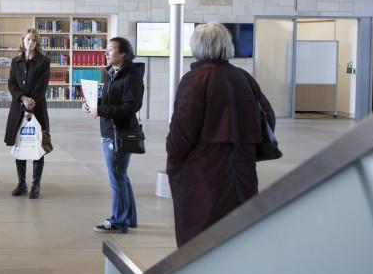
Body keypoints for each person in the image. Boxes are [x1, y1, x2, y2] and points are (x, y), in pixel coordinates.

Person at [166, 22, 276, 247]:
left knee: (201, 240)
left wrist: (174, 160)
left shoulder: (196, 79)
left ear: (197, 46)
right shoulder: (243, 77)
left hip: (204, 175)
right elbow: (268, 116)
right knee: (236, 237)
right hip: (242, 170)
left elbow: (182, 130)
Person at [84, 37, 145, 233]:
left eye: (111, 50)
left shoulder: (131, 78)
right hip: (109, 130)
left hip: (119, 132)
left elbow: (130, 107)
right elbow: (111, 98)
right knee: (121, 176)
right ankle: (129, 218)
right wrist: (94, 104)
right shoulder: (112, 73)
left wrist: (102, 110)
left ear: (123, 55)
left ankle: (119, 221)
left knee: (117, 177)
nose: (106, 53)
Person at [4, 29, 50, 199]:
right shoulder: (15, 61)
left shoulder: (43, 61)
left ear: (37, 43)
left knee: (38, 145)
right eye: (27, 39)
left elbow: (42, 85)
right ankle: (21, 183)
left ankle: (36, 184)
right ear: (23, 40)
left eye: (33, 40)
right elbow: (11, 84)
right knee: (20, 144)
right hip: (18, 108)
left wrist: (31, 102)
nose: (30, 42)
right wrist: (22, 98)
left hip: (37, 108)